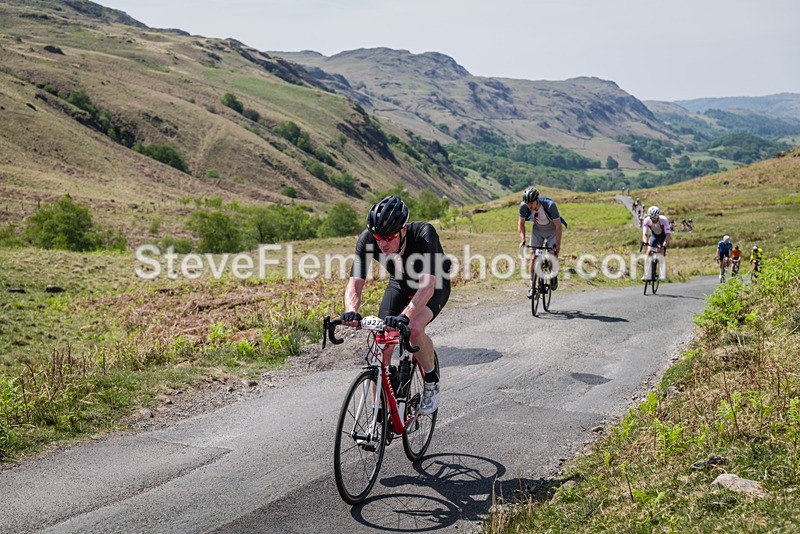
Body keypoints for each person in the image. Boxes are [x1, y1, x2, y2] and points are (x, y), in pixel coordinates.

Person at [341, 195, 450, 415]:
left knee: (414, 329)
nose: (383, 243)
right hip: (400, 282)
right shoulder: (368, 240)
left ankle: (431, 379)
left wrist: (406, 316)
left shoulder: (424, 234)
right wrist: (351, 311)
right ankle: (378, 413)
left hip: (433, 283)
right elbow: (355, 283)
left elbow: (427, 287)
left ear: (404, 229)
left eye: (390, 236)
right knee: (382, 341)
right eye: (378, 237)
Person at [518, 187, 563, 297]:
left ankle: (553, 275)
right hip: (537, 230)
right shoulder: (524, 207)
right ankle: (532, 286)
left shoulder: (550, 205)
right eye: (527, 203)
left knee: (552, 255)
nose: (529, 206)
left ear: (537, 200)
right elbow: (521, 224)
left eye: (531, 203)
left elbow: (558, 226)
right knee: (533, 257)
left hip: (552, 230)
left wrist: (558, 245)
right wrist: (523, 239)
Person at [641, 206, 670, 280]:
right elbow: (645, 234)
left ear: (658, 217)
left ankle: (661, 272)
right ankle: (646, 273)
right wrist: (645, 242)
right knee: (648, 250)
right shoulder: (647, 220)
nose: (653, 220)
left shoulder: (664, 220)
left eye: (655, 218)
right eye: (651, 218)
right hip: (654, 236)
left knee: (661, 251)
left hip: (663, 236)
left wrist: (663, 246)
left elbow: (667, 235)